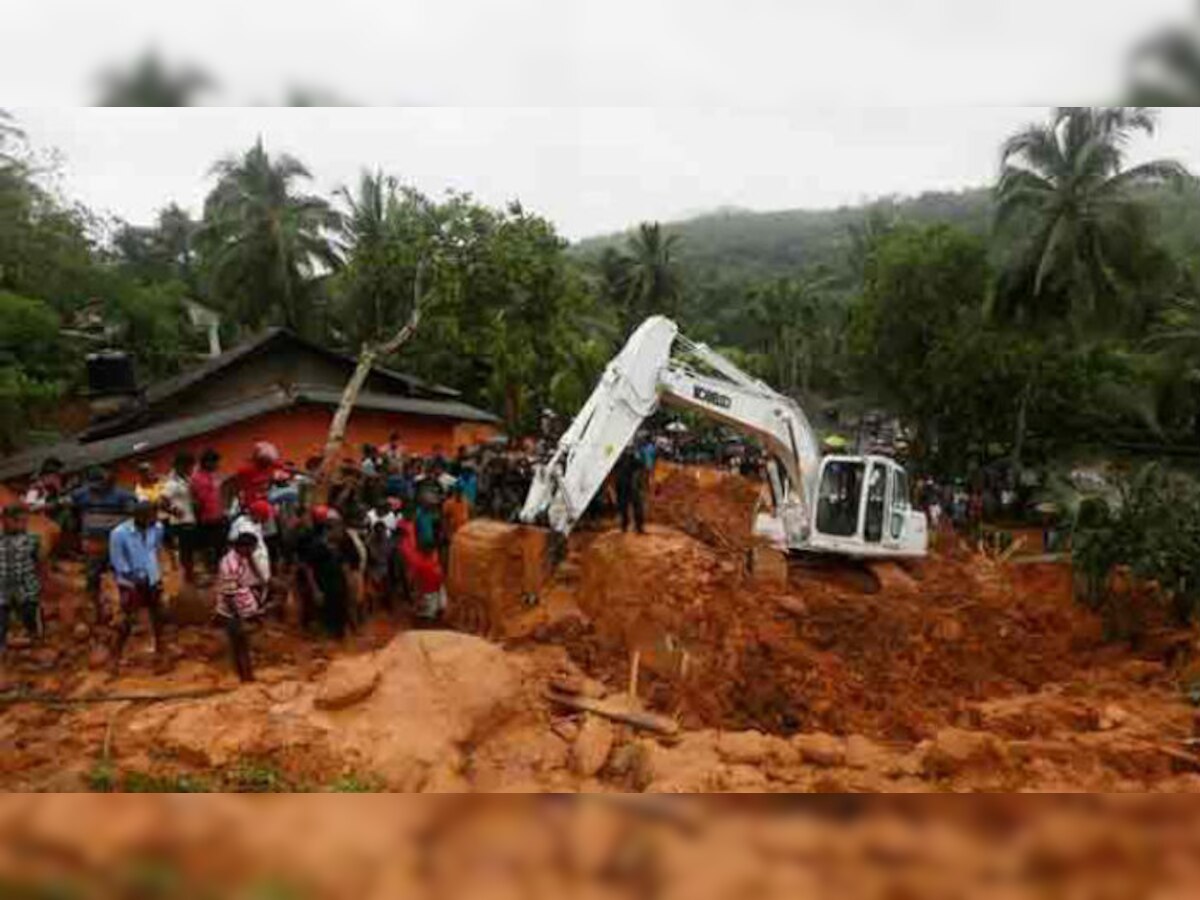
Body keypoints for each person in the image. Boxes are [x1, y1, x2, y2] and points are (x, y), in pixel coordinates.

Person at [108, 501, 168, 673]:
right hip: (131, 583)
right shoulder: (119, 534)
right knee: (126, 619)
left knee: (158, 615)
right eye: (152, 516)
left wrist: (156, 574)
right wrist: (135, 579)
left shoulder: (157, 528)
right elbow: (118, 561)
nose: (155, 519)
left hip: (152, 579)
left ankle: (160, 652)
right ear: (140, 517)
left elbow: (155, 550)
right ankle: (115, 656)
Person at [71, 467, 136, 623]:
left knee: (123, 577)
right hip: (93, 544)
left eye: (100, 484)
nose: (96, 488)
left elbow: (134, 513)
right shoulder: (81, 494)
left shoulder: (123, 495)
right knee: (92, 578)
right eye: (93, 484)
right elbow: (68, 505)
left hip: (117, 544)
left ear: (109, 481)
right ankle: (96, 612)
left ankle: (127, 612)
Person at [216, 532, 264, 682]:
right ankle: (244, 676)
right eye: (252, 549)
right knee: (239, 643)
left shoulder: (243, 559)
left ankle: (247, 674)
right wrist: (238, 618)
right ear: (244, 547)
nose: (254, 552)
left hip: (242, 605)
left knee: (243, 643)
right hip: (232, 610)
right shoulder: (229, 564)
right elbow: (228, 594)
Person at [0, 504, 43, 654]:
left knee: (29, 615)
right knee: (2, 619)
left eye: (24, 521)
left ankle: (35, 643)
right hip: (2, 588)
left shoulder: (32, 539)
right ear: (4, 520)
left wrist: (39, 583)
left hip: (26, 587)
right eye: (17, 521)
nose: (21, 525)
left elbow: (39, 562)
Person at [161, 451, 198, 583]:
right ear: (181, 466)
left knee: (190, 550)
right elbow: (162, 501)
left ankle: (191, 574)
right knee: (186, 551)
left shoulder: (186, 479)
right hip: (181, 522)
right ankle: (189, 576)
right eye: (190, 467)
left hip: (190, 519)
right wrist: (174, 511)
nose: (191, 469)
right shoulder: (171, 483)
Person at [190, 449, 225, 573]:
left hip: (218, 516)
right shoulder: (197, 478)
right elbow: (197, 502)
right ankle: (211, 570)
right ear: (207, 462)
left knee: (220, 546)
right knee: (210, 548)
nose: (217, 465)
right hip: (206, 519)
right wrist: (200, 519)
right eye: (215, 463)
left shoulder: (213, 474)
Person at [228, 500, 274, 590]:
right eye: (263, 517)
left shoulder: (251, 521)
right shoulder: (245, 528)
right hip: (251, 574)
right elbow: (250, 557)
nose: (265, 520)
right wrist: (261, 578)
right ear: (257, 515)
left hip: (256, 571)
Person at [613, 447, 646, 534]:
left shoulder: (620, 459)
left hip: (626, 486)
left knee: (629, 506)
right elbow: (641, 466)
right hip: (627, 486)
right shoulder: (628, 459)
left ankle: (630, 526)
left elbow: (641, 466)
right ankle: (634, 527)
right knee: (633, 506)